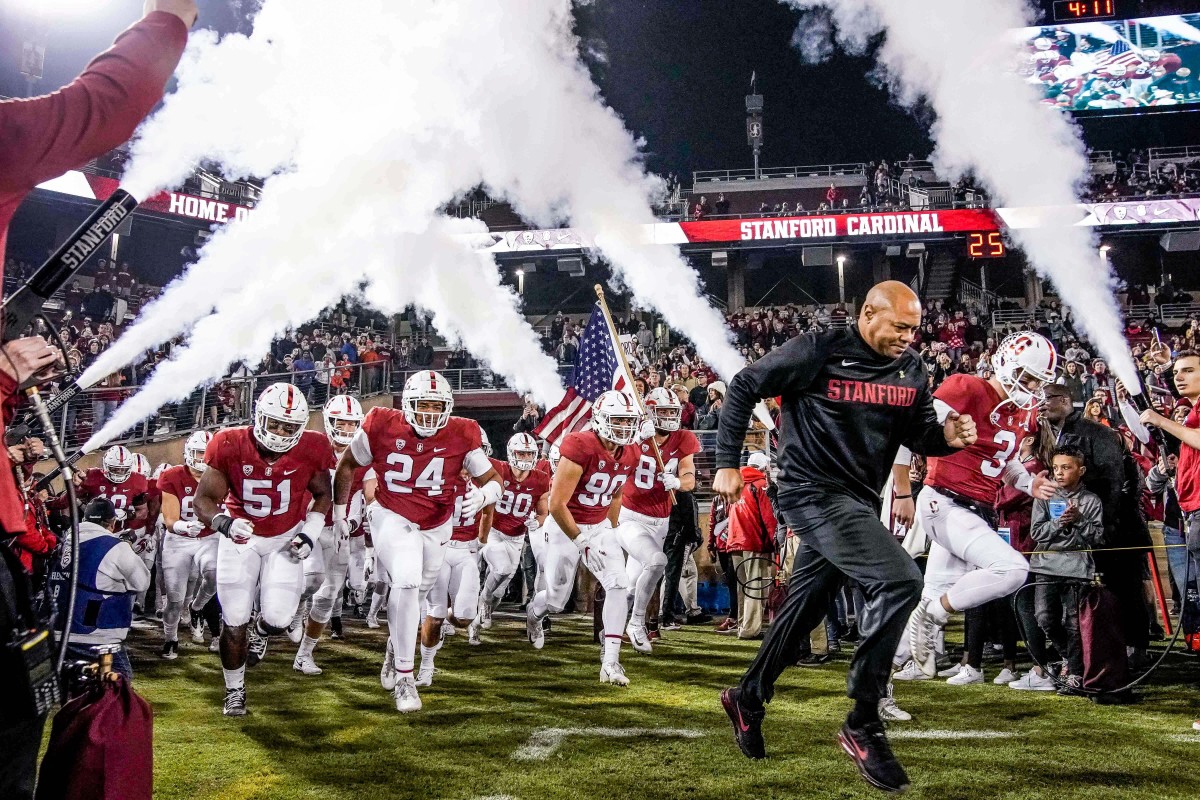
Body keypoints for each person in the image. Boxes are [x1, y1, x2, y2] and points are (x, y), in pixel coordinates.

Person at [713, 281, 976, 794]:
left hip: (857, 499)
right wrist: (726, 464)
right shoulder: (820, 348)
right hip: (809, 492)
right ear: (868, 313)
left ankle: (748, 694)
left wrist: (945, 439)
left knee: (805, 609)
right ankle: (863, 719)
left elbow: (917, 434)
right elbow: (745, 384)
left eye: (914, 329)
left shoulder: (912, 369)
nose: (908, 337)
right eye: (899, 326)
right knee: (900, 579)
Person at [333, 370, 502, 713]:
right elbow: (348, 464)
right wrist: (339, 511)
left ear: (448, 407)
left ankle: (397, 647)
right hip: (390, 512)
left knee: (420, 591)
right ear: (407, 404)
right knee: (407, 580)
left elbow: (493, 478)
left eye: (436, 405)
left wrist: (485, 496)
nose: (429, 413)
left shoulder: (462, 432)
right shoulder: (380, 422)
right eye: (422, 404)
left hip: (436, 524)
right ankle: (406, 679)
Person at [903, 333, 1059, 681]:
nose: (1032, 386)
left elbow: (1006, 461)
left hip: (976, 509)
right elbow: (911, 426)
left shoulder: (1023, 409)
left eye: (1039, 381)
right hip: (945, 500)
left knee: (934, 589)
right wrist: (900, 486)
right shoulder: (967, 387)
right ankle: (934, 615)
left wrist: (1028, 482)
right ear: (1006, 362)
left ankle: (895, 665)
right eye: (1028, 376)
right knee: (1011, 570)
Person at [195, 383, 335, 717]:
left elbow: (323, 495)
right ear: (258, 417)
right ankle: (235, 690)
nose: (282, 432)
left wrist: (310, 533)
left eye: (290, 427)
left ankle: (262, 632)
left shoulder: (312, 447)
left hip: (285, 538)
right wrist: (225, 524)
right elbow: (203, 500)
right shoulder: (229, 443)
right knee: (235, 618)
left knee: (277, 618)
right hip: (240, 538)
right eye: (275, 423)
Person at [525, 391, 639, 685]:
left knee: (618, 584)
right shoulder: (580, 445)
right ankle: (534, 614)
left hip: (599, 526)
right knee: (556, 599)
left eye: (628, 421)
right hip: (565, 526)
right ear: (600, 421)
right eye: (618, 421)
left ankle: (611, 662)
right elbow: (556, 504)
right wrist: (580, 541)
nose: (624, 428)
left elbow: (616, 493)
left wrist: (610, 531)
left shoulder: (631, 452)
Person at [616, 387, 699, 651]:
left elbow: (690, 478)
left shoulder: (682, 438)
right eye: (663, 411)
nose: (669, 416)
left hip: (660, 521)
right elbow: (614, 460)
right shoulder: (633, 436)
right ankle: (637, 623)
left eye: (672, 411)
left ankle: (612, 628)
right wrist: (634, 440)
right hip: (630, 516)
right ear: (650, 411)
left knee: (630, 586)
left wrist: (677, 481)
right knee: (657, 561)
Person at [292, 396, 368, 675]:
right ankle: (297, 605)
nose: (347, 429)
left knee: (329, 595)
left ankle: (305, 654)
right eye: (341, 423)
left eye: (352, 423)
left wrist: (359, 518)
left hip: (340, 530)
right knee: (312, 581)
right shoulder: (311, 445)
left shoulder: (362, 453)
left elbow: (366, 491)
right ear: (328, 422)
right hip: (309, 524)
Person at [49, 496, 150, 685]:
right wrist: (126, 546)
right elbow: (141, 582)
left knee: (70, 696)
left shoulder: (64, 542)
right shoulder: (115, 548)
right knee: (117, 696)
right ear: (111, 523)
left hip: (57, 634)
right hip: (96, 636)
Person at [1030, 446, 1104, 694]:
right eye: (1056, 468)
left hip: (1077, 569)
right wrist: (1059, 523)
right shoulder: (1045, 496)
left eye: (1066, 467)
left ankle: (1074, 673)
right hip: (1046, 567)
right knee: (1044, 618)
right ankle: (1068, 658)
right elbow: (1037, 533)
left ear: (1080, 470)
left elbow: (1096, 538)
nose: (1059, 473)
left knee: (1074, 623)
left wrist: (1080, 520)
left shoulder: (1091, 501)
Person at [468, 433, 550, 645]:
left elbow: (542, 513)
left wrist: (537, 522)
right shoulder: (497, 468)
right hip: (492, 531)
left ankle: (476, 623)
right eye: (521, 452)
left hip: (516, 538)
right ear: (511, 453)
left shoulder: (540, 479)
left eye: (529, 453)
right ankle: (483, 600)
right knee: (502, 569)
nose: (524, 457)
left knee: (501, 591)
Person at [156, 431, 219, 659]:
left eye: (207, 452)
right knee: (174, 598)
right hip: (179, 540)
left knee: (213, 575)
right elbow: (170, 519)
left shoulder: (220, 475)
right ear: (188, 453)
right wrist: (183, 527)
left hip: (209, 536)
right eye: (199, 452)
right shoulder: (172, 476)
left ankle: (196, 606)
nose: (203, 457)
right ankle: (170, 638)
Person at [727, 451, 777, 640]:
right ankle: (750, 629)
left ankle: (743, 624)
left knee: (742, 586)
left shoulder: (737, 483)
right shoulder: (761, 485)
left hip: (735, 541)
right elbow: (769, 518)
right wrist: (775, 541)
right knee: (755, 586)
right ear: (764, 467)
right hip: (754, 541)